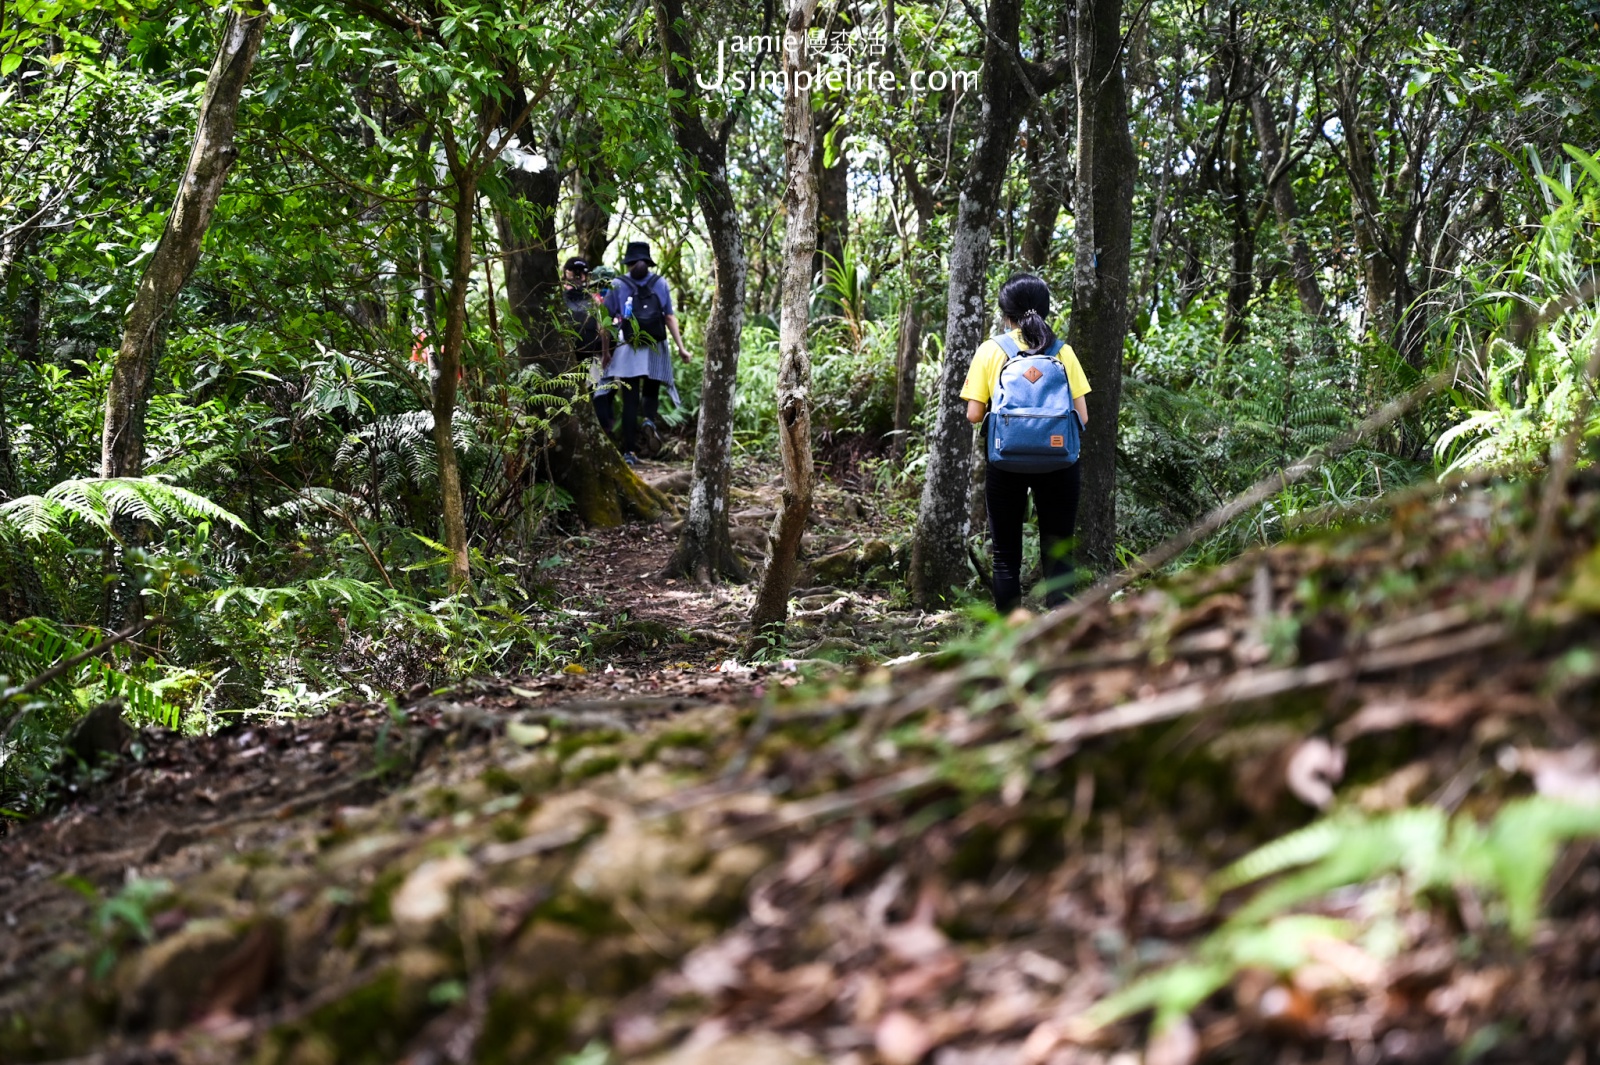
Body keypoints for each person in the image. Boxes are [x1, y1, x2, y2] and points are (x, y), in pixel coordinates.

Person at [961, 273, 1091, 613]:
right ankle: (1060, 632)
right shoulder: (1063, 352)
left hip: (1005, 461)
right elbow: (1083, 416)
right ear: (1045, 310)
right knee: (1059, 548)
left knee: (1005, 555)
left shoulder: (991, 351)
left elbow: (974, 414)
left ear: (1006, 313)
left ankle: (1009, 635)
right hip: (1060, 460)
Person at [601, 241, 693, 464]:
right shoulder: (659, 282)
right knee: (651, 391)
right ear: (648, 261)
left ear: (628, 262)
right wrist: (681, 348)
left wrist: (606, 353)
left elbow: (604, 322)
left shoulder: (617, 284)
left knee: (630, 401)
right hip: (655, 346)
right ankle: (649, 420)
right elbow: (669, 317)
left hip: (628, 348)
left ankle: (629, 453)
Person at [562, 258, 616, 431]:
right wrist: (606, 353)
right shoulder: (594, 300)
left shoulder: (560, 299)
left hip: (570, 353)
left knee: (573, 390)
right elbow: (604, 329)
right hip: (586, 351)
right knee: (586, 389)